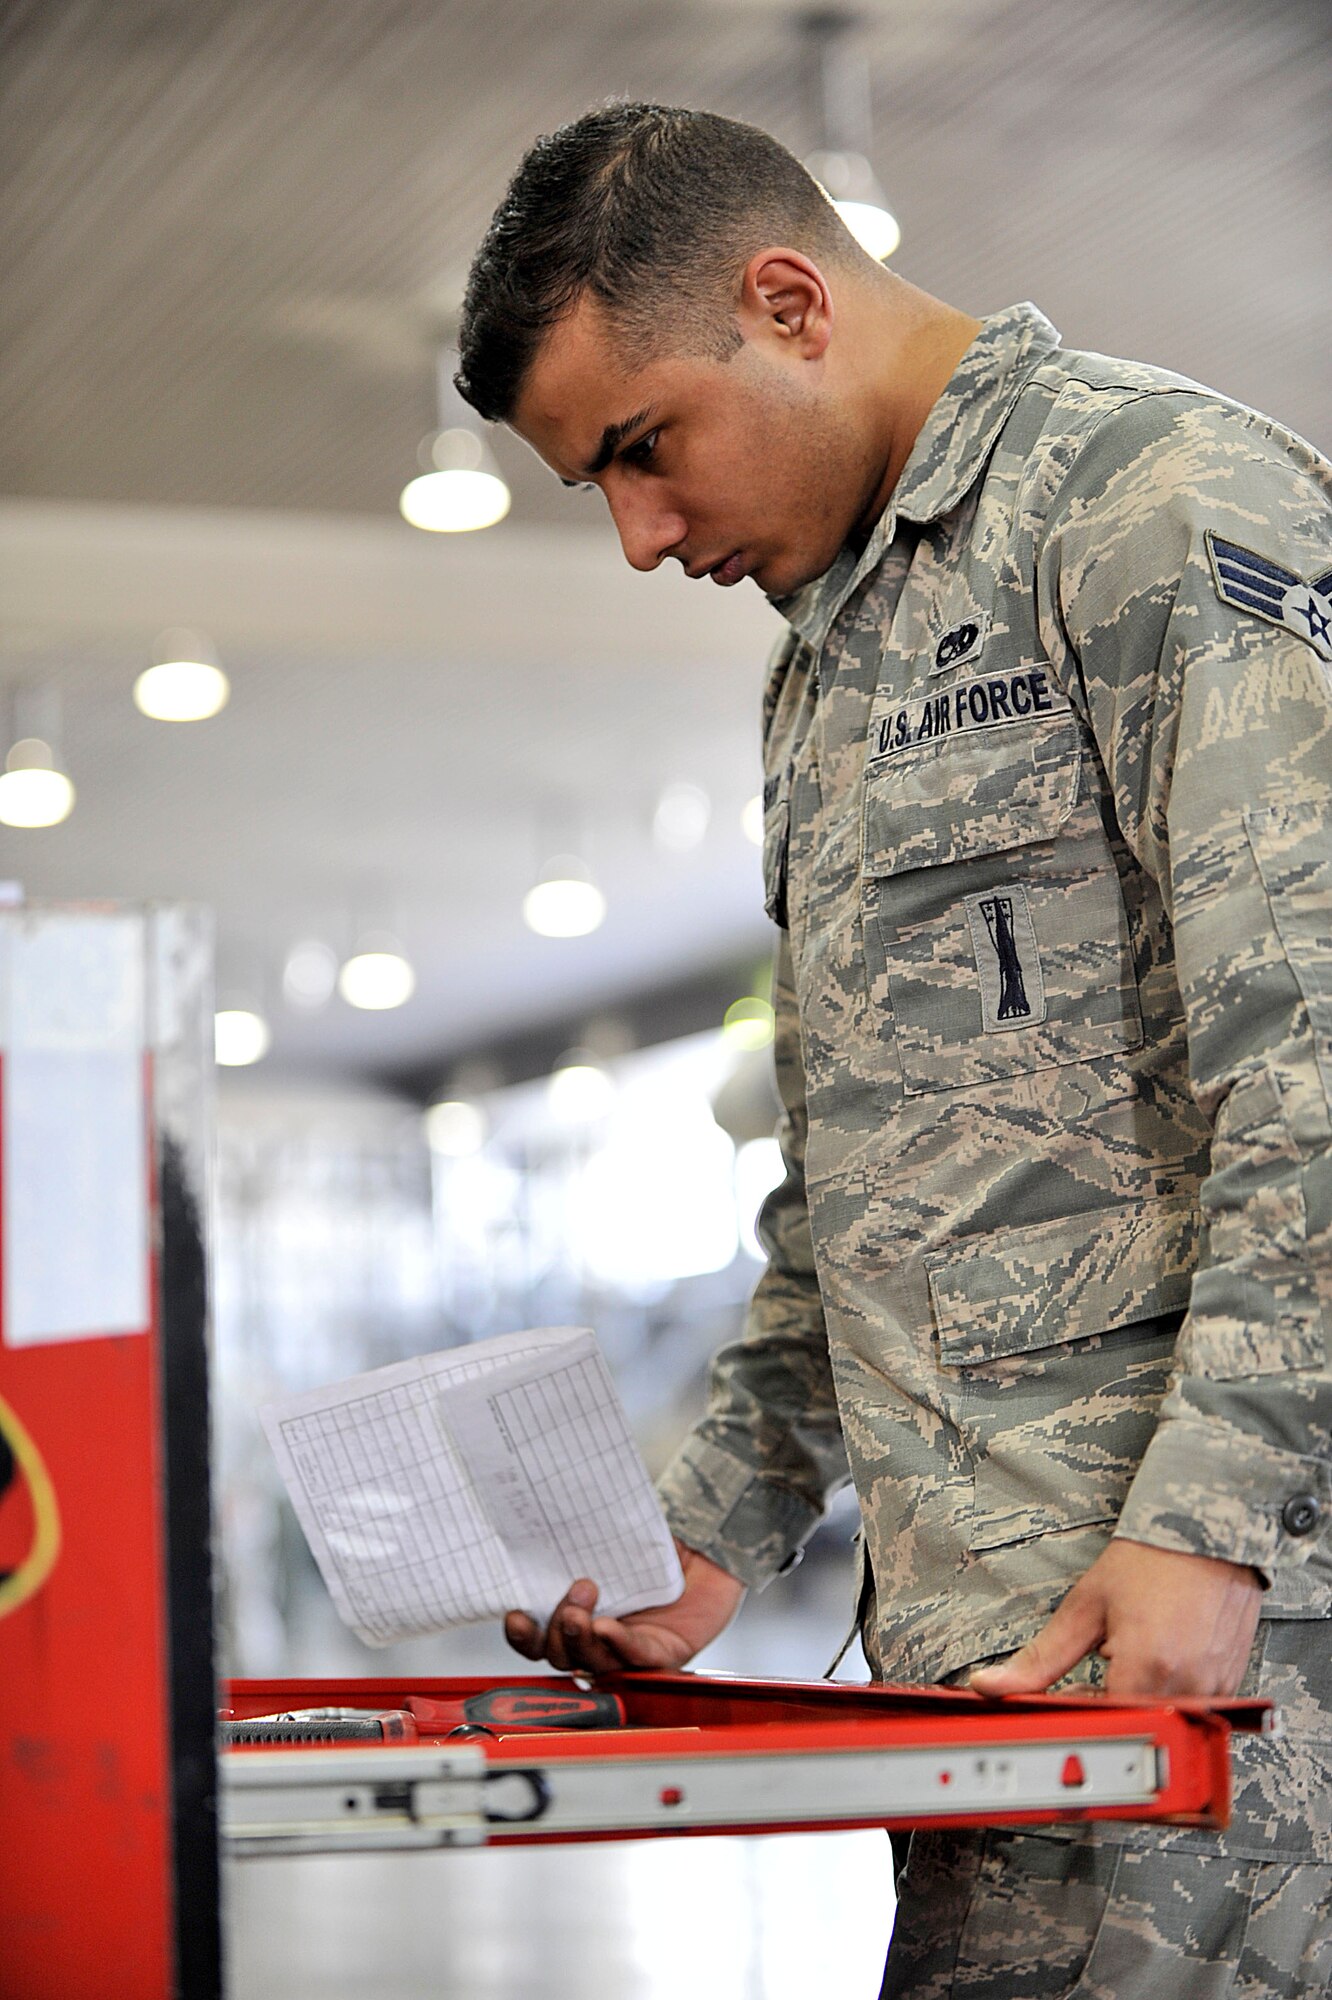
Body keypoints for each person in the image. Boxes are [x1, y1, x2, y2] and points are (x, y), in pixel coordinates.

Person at [456, 103, 1332, 1998]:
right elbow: (858, 1178)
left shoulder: (1161, 502)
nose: (636, 536)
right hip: (984, 1664)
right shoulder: (827, 663)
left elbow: (1319, 1061)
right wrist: (717, 1530)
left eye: (640, 451)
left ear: (787, 300)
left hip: (1227, 1657)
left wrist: (1208, 1530)